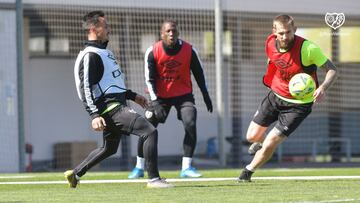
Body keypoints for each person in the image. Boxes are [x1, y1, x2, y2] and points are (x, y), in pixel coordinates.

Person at [64, 10, 172, 188]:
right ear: (93, 28)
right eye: (105, 26)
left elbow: (111, 84)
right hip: (110, 108)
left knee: (110, 148)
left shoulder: (103, 52)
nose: (109, 29)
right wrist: (94, 115)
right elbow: (85, 88)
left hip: (115, 104)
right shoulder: (90, 54)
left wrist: (132, 96)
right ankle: (154, 179)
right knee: (149, 131)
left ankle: (75, 174)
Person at [238, 14, 338, 182]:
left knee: (271, 141)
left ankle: (248, 172)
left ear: (295, 30)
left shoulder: (308, 49)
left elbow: (332, 69)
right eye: (281, 33)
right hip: (275, 96)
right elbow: (273, 60)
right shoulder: (270, 42)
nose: (285, 37)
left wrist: (322, 87)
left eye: (289, 32)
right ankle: (260, 146)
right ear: (274, 32)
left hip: (298, 105)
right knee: (251, 137)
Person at [128, 19, 213, 178]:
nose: (171, 33)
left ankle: (186, 167)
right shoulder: (153, 51)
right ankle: (139, 167)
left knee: (190, 122)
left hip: (183, 95)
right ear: (162, 34)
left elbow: (199, 74)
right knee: (146, 127)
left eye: (173, 30)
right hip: (160, 97)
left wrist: (206, 96)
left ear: (178, 32)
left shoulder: (189, 50)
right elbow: (149, 79)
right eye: (168, 31)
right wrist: (154, 102)